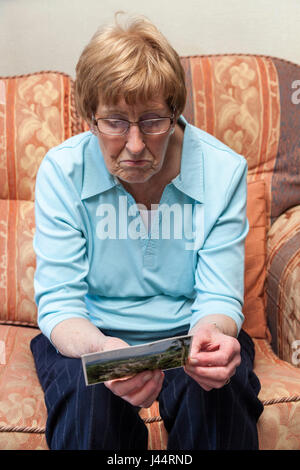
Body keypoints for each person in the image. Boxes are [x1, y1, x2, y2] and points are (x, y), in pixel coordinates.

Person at [30, 14, 263, 450]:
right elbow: (59, 300)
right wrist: (102, 351)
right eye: (115, 122)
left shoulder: (223, 170)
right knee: (87, 407)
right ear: (89, 118)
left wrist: (212, 337)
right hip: (91, 334)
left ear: (175, 112)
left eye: (153, 120)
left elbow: (218, 296)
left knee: (218, 393)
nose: (135, 145)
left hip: (190, 333)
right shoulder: (62, 171)